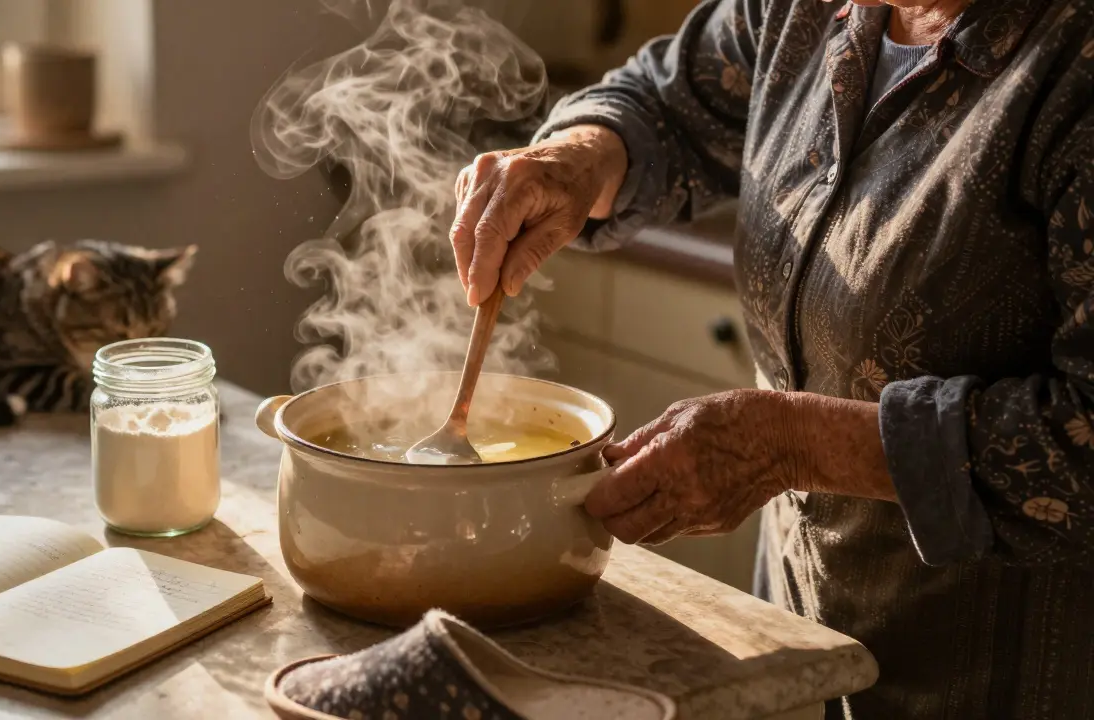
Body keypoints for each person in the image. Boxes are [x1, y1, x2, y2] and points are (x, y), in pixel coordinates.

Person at [448, 0, 1094, 717]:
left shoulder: (1074, 67)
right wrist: (577, 156)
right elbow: (670, 100)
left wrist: (792, 444)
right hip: (793, 646)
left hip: (996, 679)